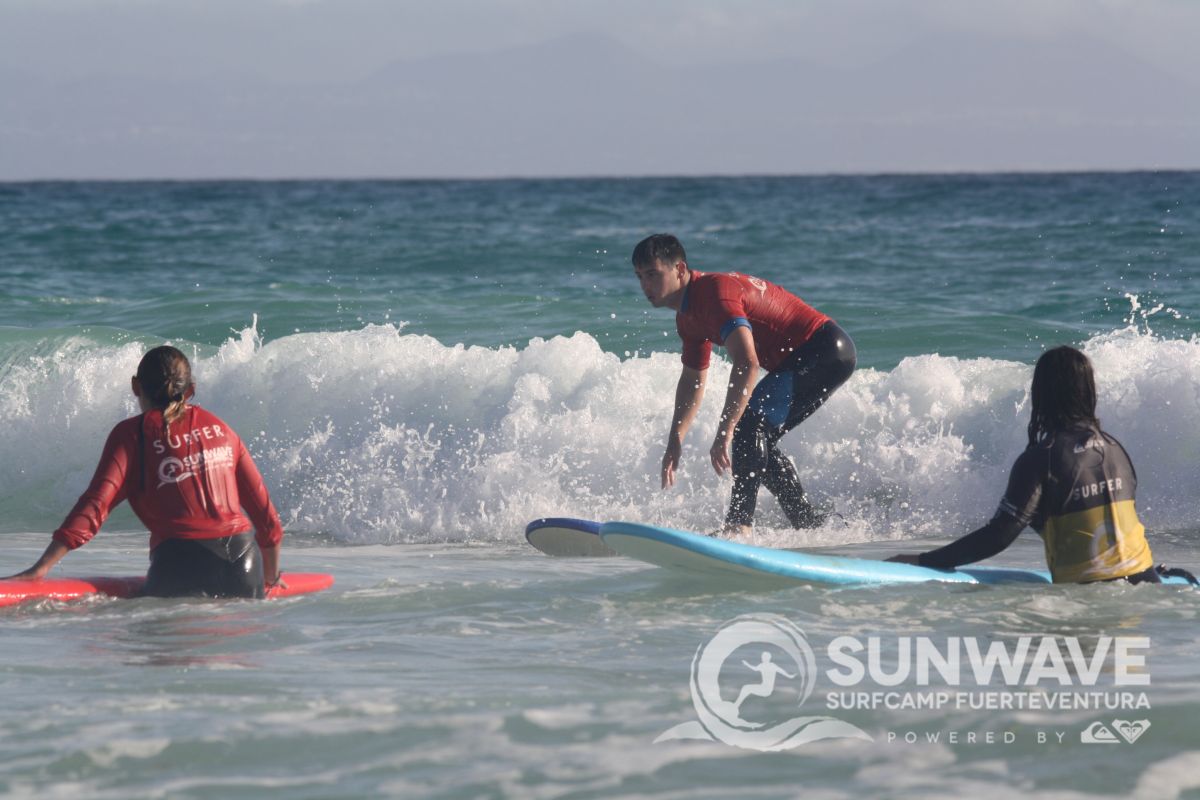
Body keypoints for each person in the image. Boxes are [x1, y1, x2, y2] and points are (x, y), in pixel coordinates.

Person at [6, 345, 285, 598]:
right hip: (244, 563)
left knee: (133, 635)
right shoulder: (223, 430)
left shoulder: (132, 434)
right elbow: (267, 520)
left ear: (135, 386)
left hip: (179, 565)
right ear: (190, 390)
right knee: (233, 640)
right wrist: (270, 578)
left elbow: (95, 506)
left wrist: (40, 568)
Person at [632, 233, 856, 535]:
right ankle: (810, 525)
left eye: (652, 274)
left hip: (825, 349)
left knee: (748, 427)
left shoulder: (714, 294)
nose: (645, 286)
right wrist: (675, 439)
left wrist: (725, 429)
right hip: (808, 357)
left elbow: (747, 363)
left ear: (680, 269)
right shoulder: (687, 319)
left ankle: (739, 525)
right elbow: (693, 379)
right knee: (758, 438)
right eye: (639, 277)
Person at [889, 345, 1164, 584]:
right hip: (1146, 582)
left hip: (1092, 599)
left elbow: (1000, 534)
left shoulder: (1042, 458)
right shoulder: (1115, 448)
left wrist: (924, 560)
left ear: (1042, 394)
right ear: (1089, 392)